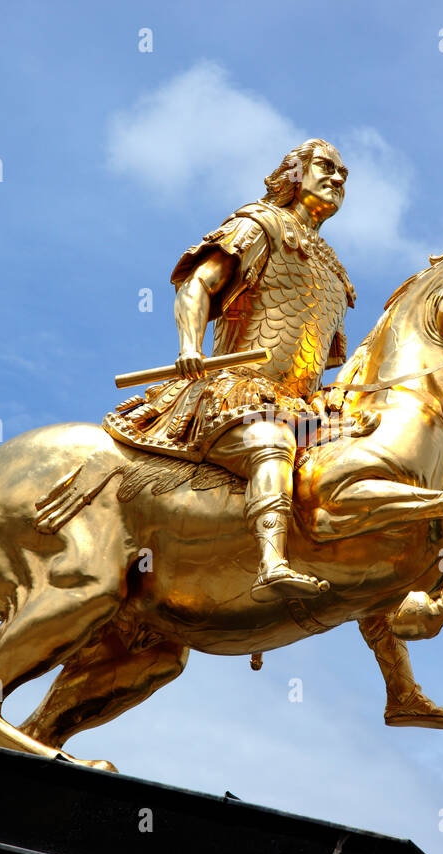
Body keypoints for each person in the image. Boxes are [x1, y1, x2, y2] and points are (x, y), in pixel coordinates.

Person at [103, 139, 357, 601]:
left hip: (303, 408)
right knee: (271, 440)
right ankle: (272, 563)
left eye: (344, 173)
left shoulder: (335, 272)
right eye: (326, 167)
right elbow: (198, 284)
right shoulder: (259, 224)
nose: (338, 178)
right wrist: (189, 347)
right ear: (296, 174)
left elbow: (321, 362)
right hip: (238, 393)